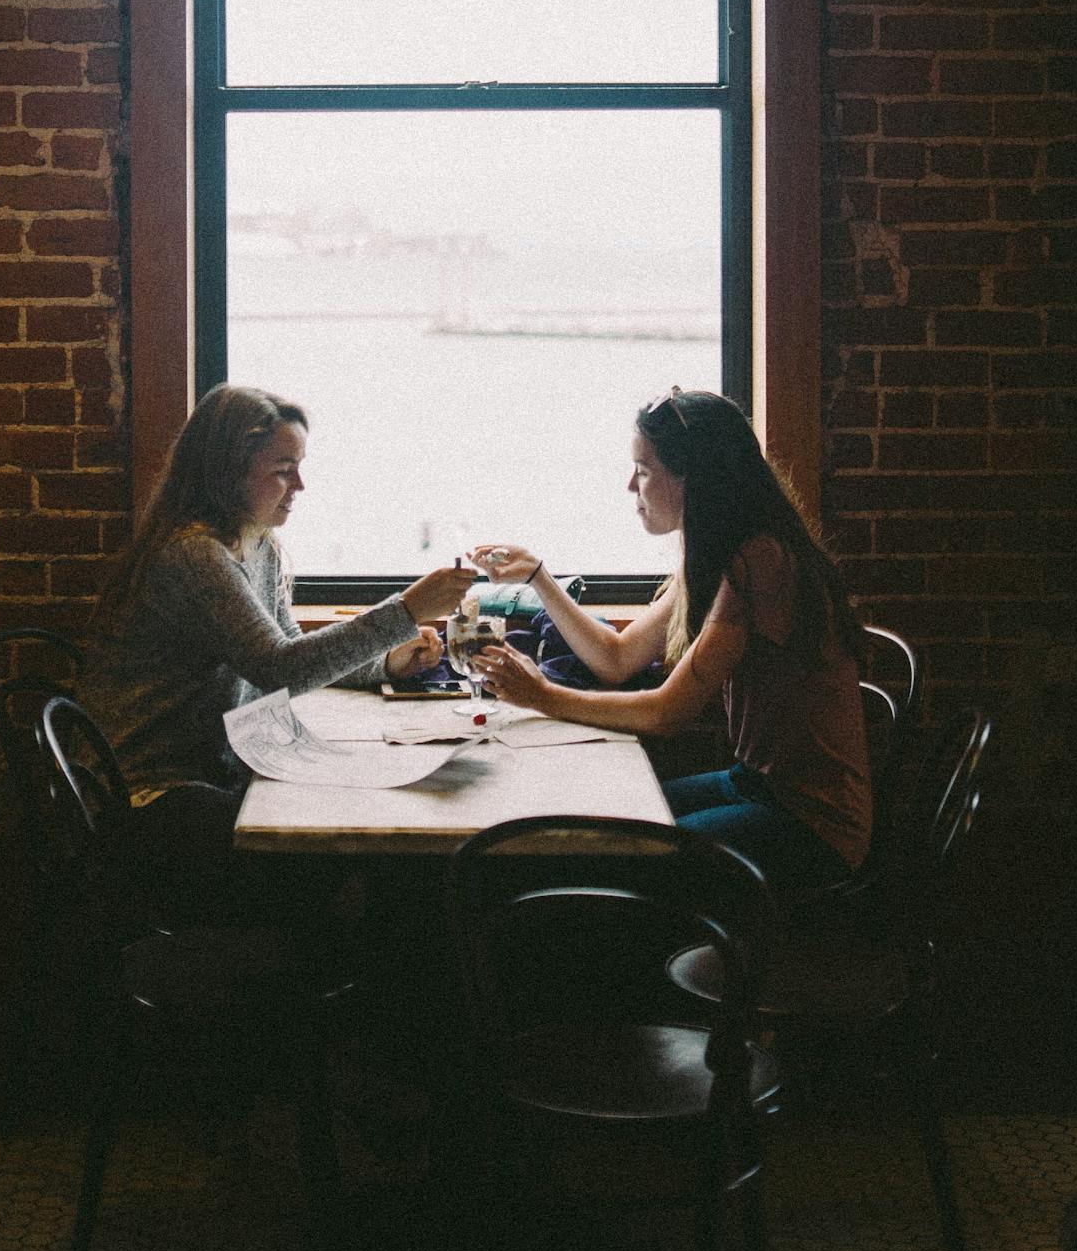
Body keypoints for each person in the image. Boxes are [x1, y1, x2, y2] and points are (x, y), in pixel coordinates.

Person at [89, 383, 477, 916]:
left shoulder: (258, 543)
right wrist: (406, 610)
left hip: (222, 768)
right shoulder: (194, 557)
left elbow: (290, 647)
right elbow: (277, 668)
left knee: (374, 823)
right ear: (228, 472)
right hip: (158, 798)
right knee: (373, 846)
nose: (300, 485)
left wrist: (387, 662)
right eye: (282, 469)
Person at [470, 388, 870, 892]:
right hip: (755, 784)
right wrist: (539, 579)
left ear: (693, 479)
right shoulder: (721, 553)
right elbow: (618, 659)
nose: (628, 486)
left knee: (623, 855)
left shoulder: (761, 560)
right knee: (602, 818)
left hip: (811, 824)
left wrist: (542, 696)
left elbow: (667, 713)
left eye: (643, 470)